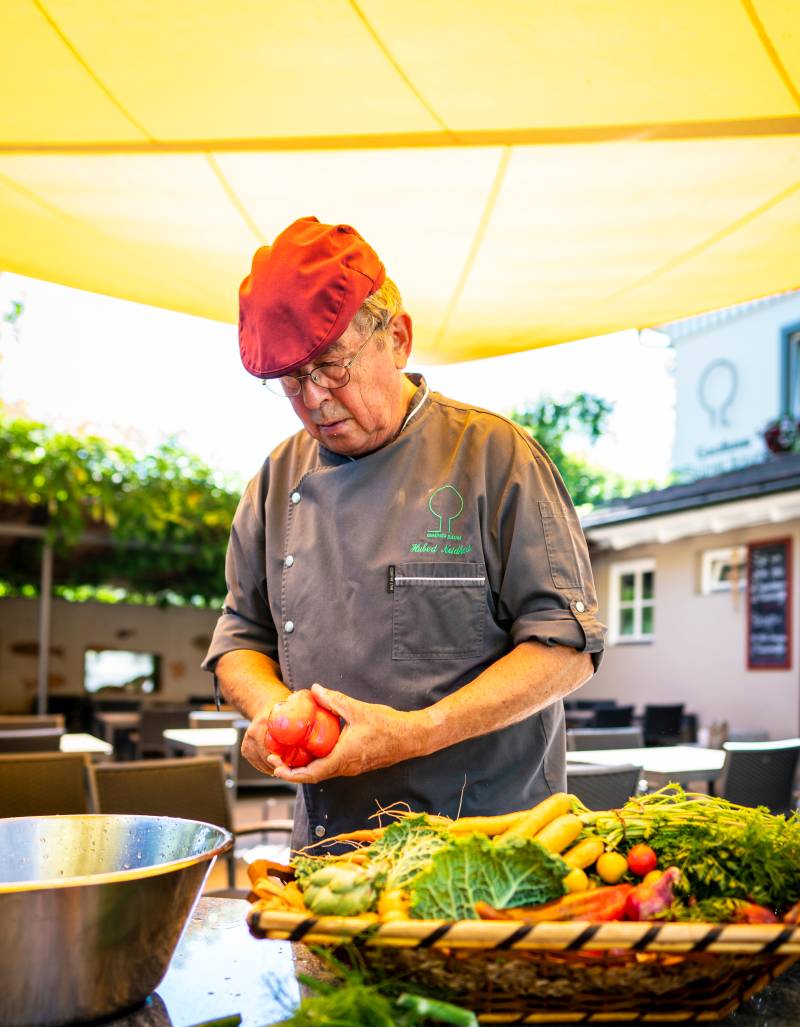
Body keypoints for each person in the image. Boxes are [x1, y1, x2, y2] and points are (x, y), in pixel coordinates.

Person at [203, 216, 605, 849]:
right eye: (288, 379)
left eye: (330, 366)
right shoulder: (276, 480)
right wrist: (273, 712)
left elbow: (566, 649)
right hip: (328, 856)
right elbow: (238, 638)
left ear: (397, 338)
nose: (313, 399)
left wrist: (416, 732)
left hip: (488, 853)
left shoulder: (494, 456)